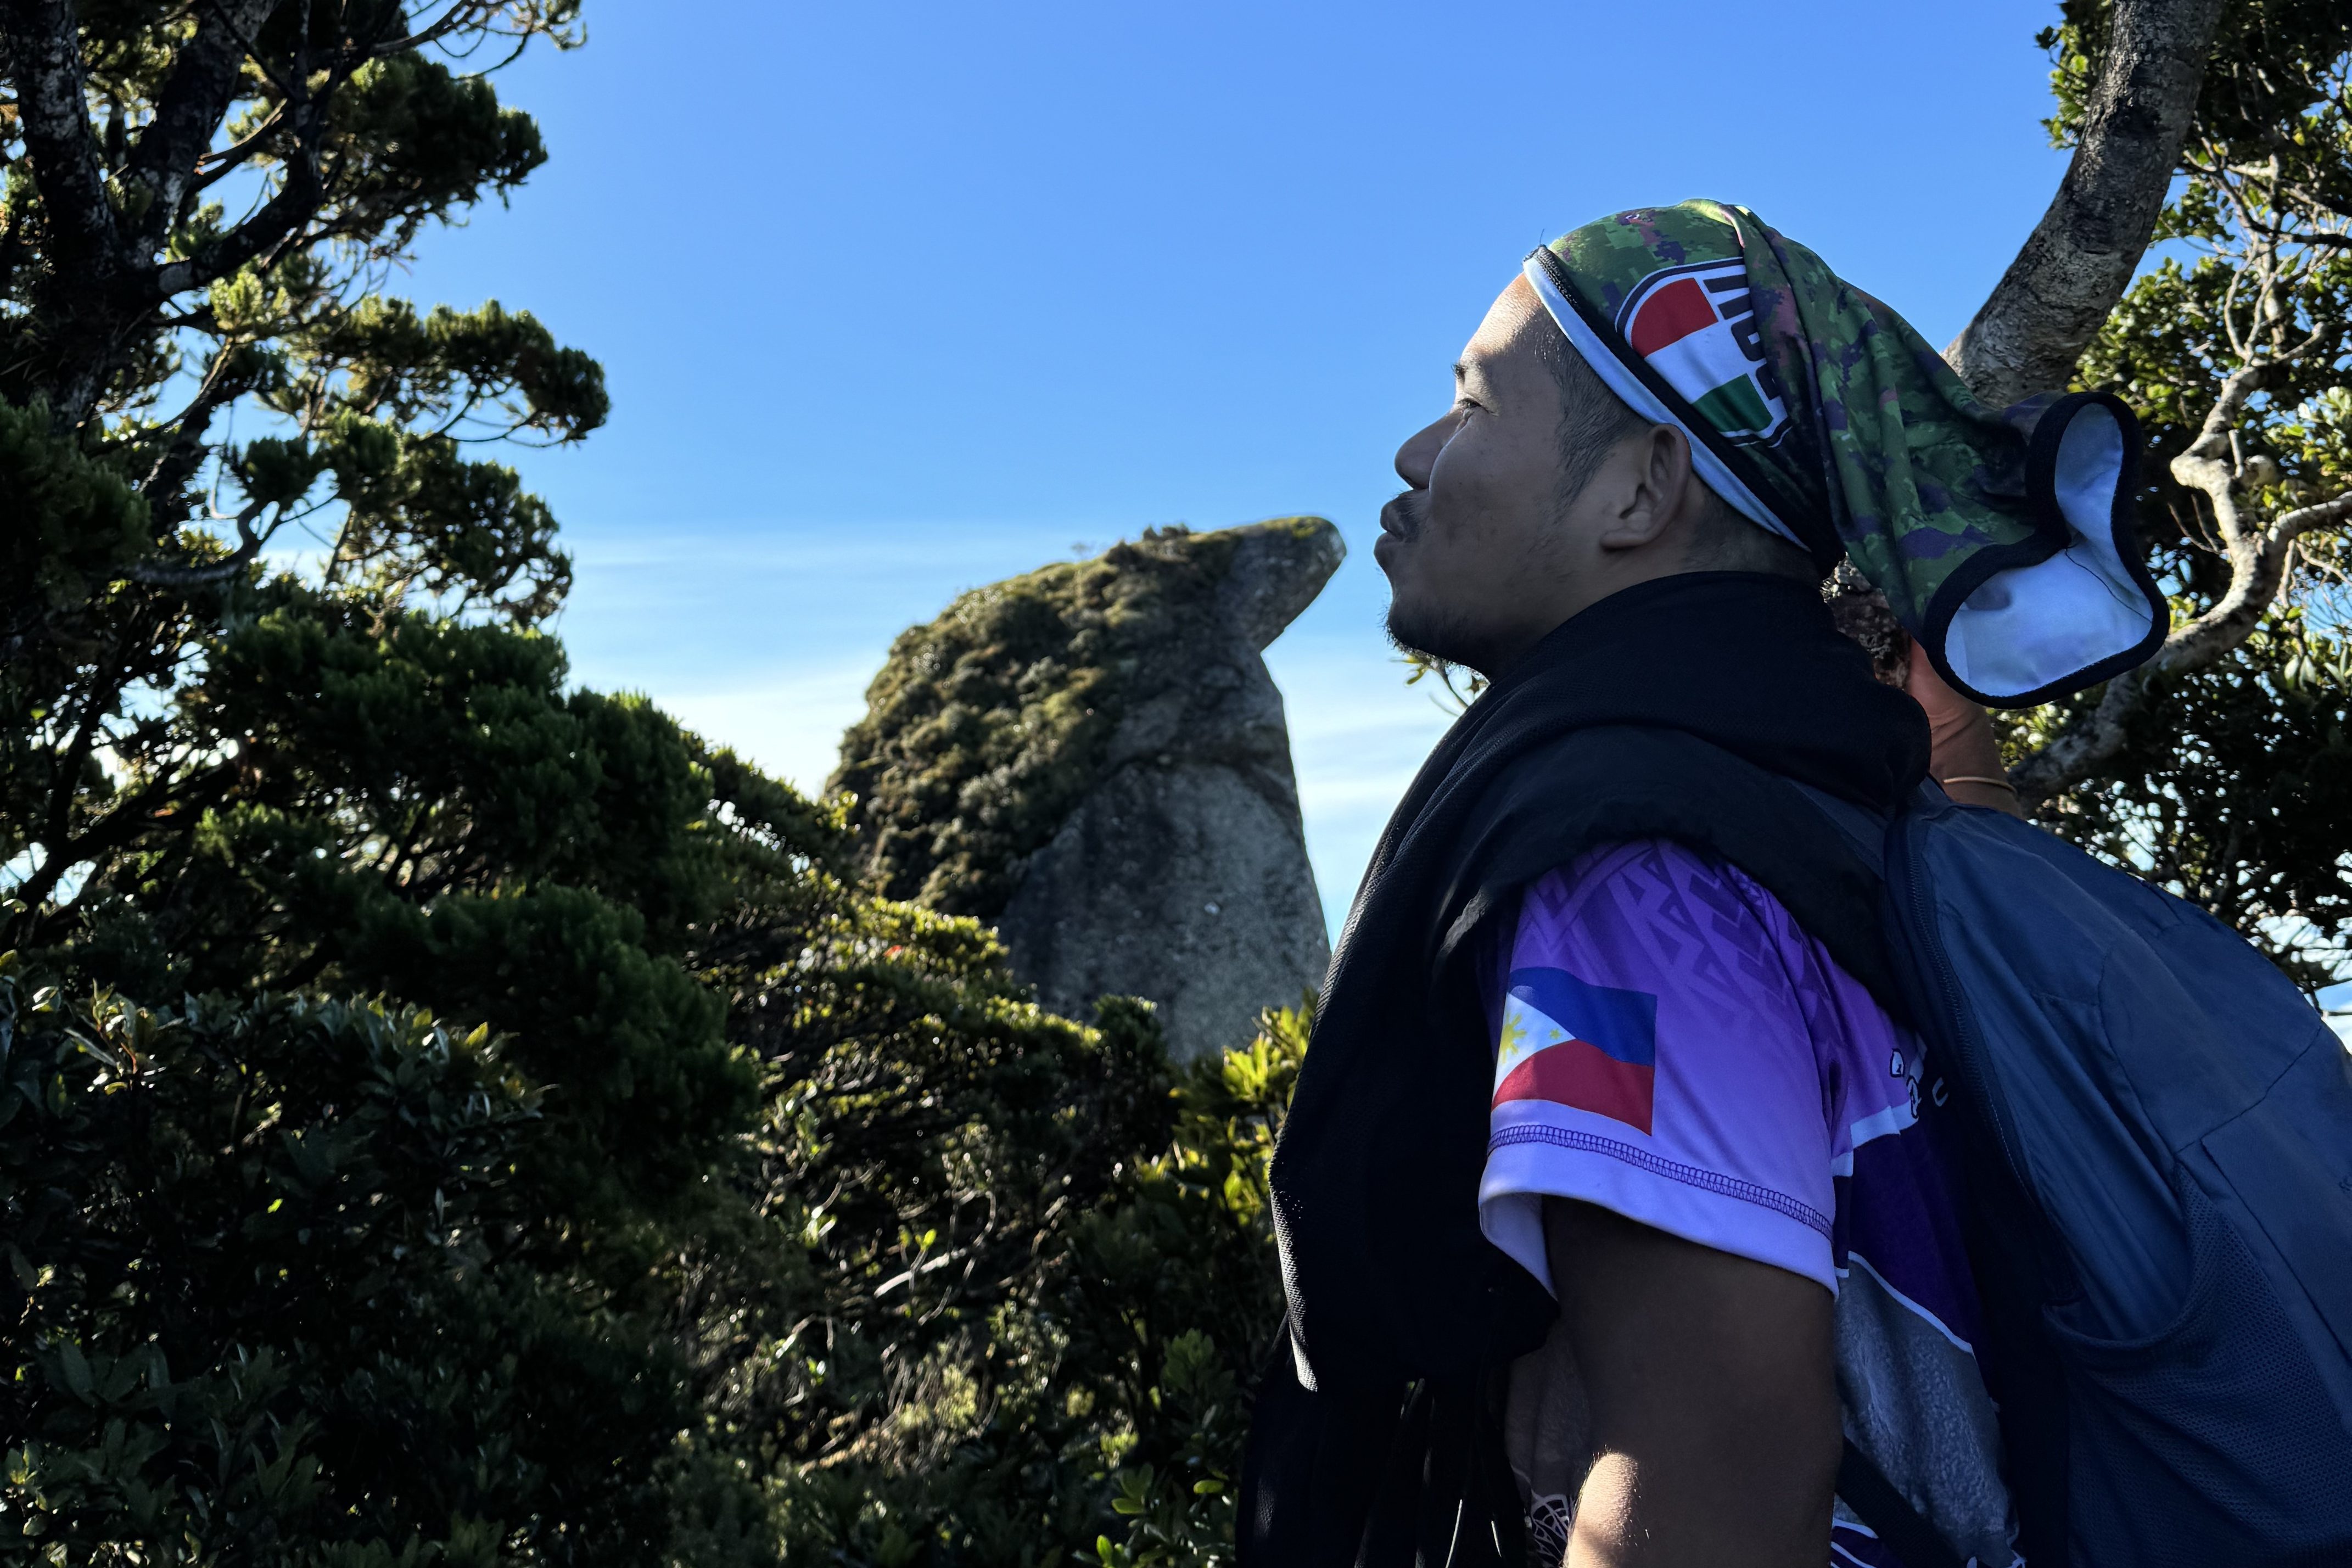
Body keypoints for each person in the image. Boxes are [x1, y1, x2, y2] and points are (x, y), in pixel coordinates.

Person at [1239, 203, 2166, 1568]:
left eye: (1473, 404)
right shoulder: (1821, 795)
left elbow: (1712, 1484)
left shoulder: (1634, 879)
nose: (1417, 452)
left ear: (1641, 489)